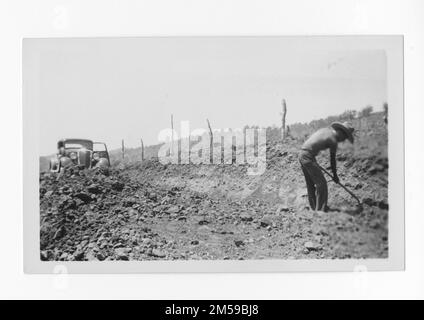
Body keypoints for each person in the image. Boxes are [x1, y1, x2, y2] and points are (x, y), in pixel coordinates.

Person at [299, 121, 354, 212]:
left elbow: (312, 143)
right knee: (322, 184)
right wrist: (335, 176)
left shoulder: (325, 130)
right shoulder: (333, 140)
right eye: (344, 137)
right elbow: (332, 160)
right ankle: (320, 211)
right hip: (308, 156)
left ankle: (314, 207)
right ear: (340, 132)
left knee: (310, 183)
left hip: (303, 154)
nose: (343, 140)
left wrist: (311, 157)